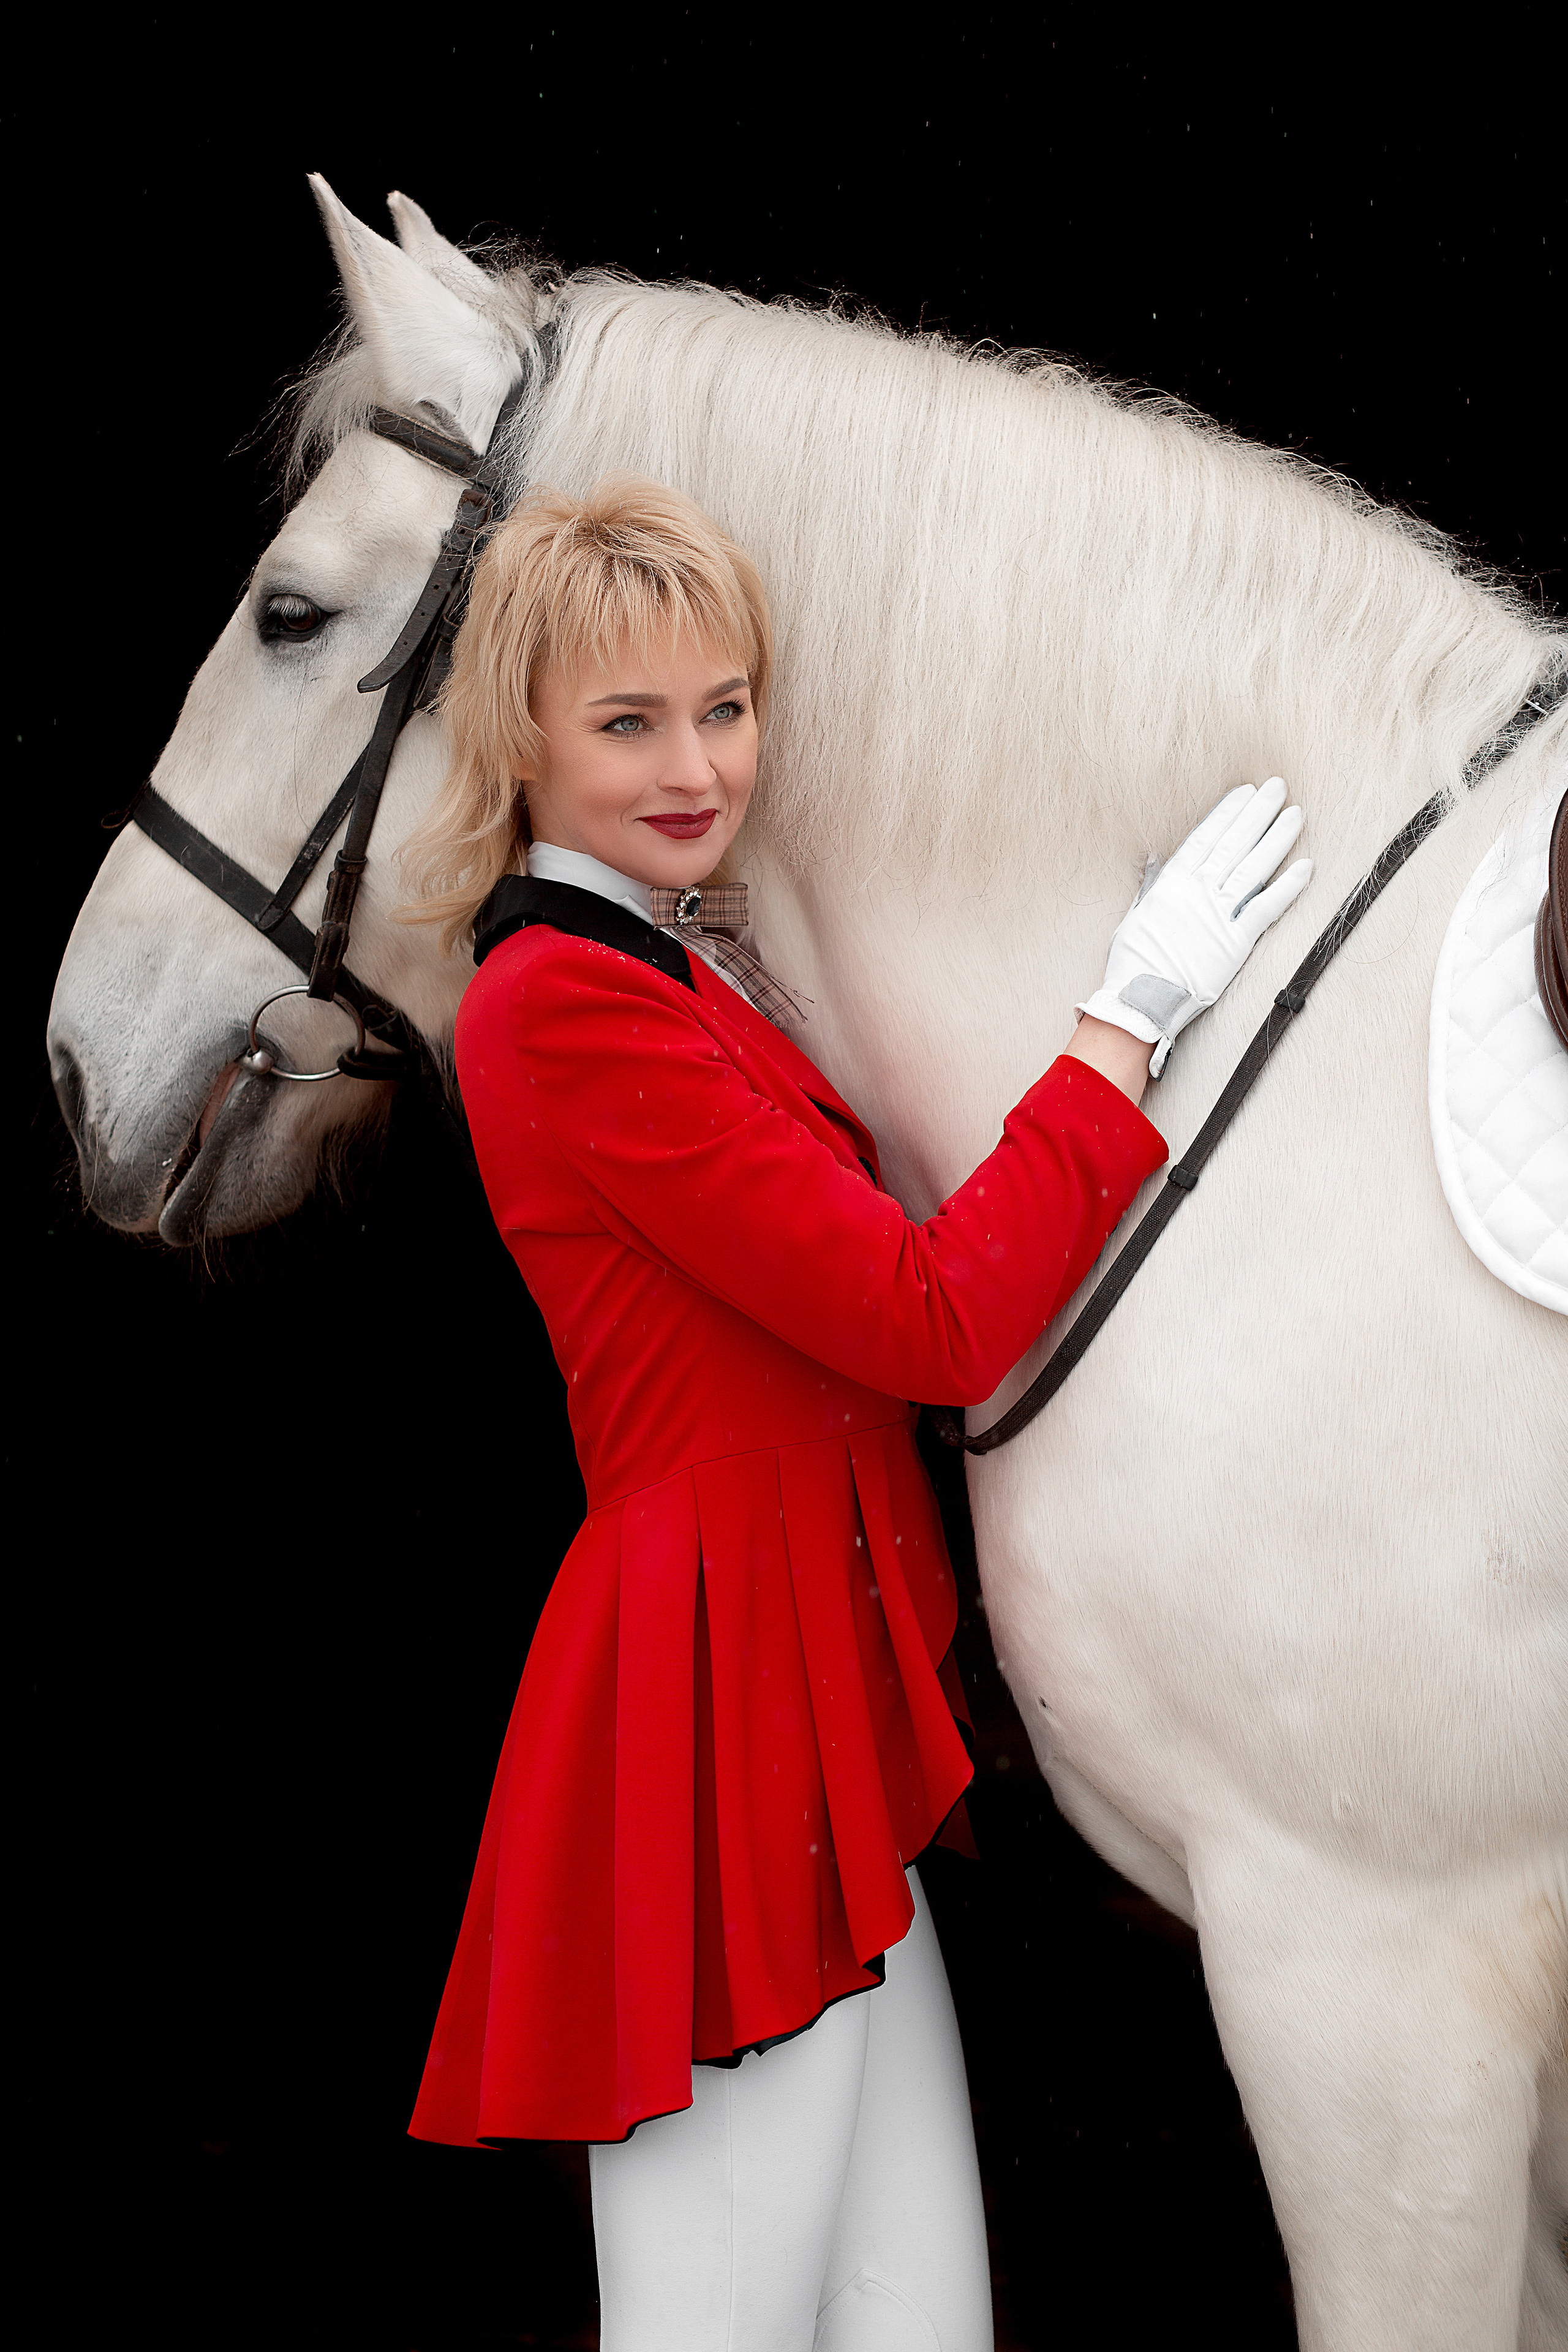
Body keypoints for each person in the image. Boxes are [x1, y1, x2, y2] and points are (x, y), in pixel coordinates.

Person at [398, 477, 1310, 2350]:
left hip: (800, 1697)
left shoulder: (674, 960)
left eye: (724, 707)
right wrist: (1127, 1021)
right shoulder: (561, 1005)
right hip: (710, 1714)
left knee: (917, 2329)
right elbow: (933, 1312)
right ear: (522, 736)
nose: (697, 765)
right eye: (629, 721)